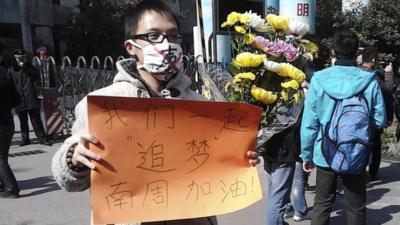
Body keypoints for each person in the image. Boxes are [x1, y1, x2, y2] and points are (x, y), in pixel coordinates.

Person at [51, 1, 260, 225]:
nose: (166, 44)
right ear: (131, 47)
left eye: (172, 36)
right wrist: (74, 158)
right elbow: (70, 181)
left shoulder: (200, 105)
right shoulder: (103, 106)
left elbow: (213, 167)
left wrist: (239, 159)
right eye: (153, 36)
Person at [301, 29, 386, 225]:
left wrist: (307, 154)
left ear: (334, 51)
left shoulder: (319, 79)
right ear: (357, 53)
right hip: (356, 150)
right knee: (356, 206)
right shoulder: (369, 81)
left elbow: (310, 123)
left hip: (325, 152)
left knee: (322, 204)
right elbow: (380, 120)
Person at [359, 47, 394, 180]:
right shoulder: (372, 76)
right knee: (375, 144)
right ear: (373, 60)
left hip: (357, 115)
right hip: (372, 117)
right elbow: (387, 90)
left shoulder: (356, 72)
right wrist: (389, 74)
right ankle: (372, 171)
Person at [8, 49, 51, 146]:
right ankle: (25, 139)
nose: (20, 60)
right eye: (18, 59)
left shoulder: (30, 67)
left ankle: (42, 138)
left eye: (22, 58)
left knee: (36, 120)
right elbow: (9, 84)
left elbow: (35, 76)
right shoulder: (12, 70)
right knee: (23, 121)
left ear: (25, 58)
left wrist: (24, 67)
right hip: (19, 99)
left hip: (31, 97)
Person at [0, 42, 22, 198]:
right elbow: (17, 100)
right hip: (8, 122)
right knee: (3, 157)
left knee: (1, 159)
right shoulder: (5, 78)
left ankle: (11, 188)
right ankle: (3, 184)